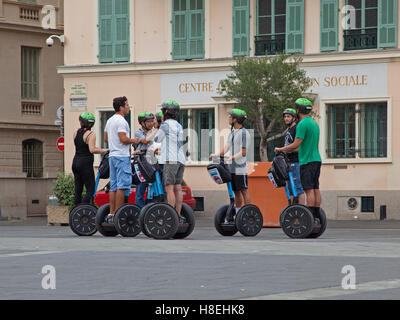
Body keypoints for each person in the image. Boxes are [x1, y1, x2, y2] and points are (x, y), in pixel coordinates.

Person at [274, 98, 322, 222]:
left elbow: (296, 144)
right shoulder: (314, 123)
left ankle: (310, 217)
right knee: (316, 188)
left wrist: (281, 149)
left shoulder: (302, 124)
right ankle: (316, 216)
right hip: (317, 159)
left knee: (308, 189)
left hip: (306, 161)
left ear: (297, 110)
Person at [210, 109, 251, 221]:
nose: (228, 119)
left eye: (230, 117)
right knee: (236, 191)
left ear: (235, 119)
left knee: (243, 190)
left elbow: (243, 152)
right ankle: (238, 215)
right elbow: (226, 148)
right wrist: (216, 155)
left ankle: (247, 213)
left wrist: (232, 157)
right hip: (231, 167)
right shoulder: (232, 133)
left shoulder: (244, 133)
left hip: (240, 168)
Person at [152, 101, 186, 223]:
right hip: (181, 160)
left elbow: (157, 139)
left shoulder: (165, 125)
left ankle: (170, 216)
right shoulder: (179, 125)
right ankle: (177, 215)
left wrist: (157, 127)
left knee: (169, 188)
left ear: (166, 112)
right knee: (178, 188)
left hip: (170, 160)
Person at [104, 96, 135, 223]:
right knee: (122, 186)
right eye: (127, 105)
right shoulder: (122, 121)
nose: (128, 107)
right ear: (121, 107)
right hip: (122, 156)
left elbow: (106, 139)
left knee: (114, 186)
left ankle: (112, 213)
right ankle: (118, 213)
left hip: (112, 156)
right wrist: (134, 140)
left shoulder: (110, 120)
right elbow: (123, 138)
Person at [72, 112, 108, 206]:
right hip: (85, 163)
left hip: (75, 162)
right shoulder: (90, 134)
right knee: (90, 190)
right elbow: (92, 150)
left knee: (78, 189)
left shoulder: (76, 133)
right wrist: (105, 150)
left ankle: (76, 211)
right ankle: (85, 210)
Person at [281, 108, 305, 205]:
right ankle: (295, 212)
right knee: (292, 190)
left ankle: (303, 212)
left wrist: (284, 149)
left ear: (294, 118)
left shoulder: (296, 129)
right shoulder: (289, 130)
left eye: (288, 116)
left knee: (299, 189)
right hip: (289, 163)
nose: (286, 119)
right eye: (285, 117)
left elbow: (300, 147)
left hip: (296, 163)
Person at [133, 112, 155, 208]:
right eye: (149, 121)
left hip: (152, 161)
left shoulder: (153, 132)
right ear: (142, 123)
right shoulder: (138, 132)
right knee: (140, 188)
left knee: (154, 189)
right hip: (141, 164)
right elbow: (145, 141)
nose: (151, 123)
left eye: (152, 121)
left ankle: (151, 209)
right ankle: (140, 212)